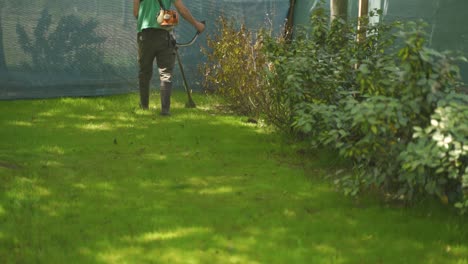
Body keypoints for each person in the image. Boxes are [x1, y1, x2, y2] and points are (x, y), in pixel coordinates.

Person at [133, 0, 205, 115]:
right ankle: (165, 110)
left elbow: (136, 12)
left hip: (145, 36)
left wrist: (149, 20)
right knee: (166, 74)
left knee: (144, 72)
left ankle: (144, 106)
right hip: (164, 36)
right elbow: (182, 10)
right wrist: (197, 25)